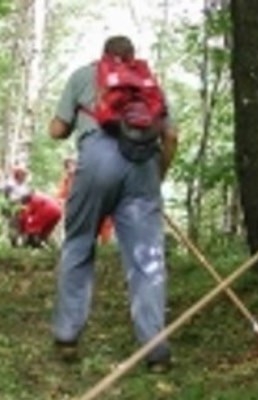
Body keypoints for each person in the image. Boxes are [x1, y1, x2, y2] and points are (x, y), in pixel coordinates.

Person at [48, 35, 178, 372]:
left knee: (78, 243)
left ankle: (67, 336)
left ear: (103, 55)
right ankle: (155, 350)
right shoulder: (149, 85)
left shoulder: (83, 76)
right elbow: (171, 136)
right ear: (133, 58)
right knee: (147, 259)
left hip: (97, 160)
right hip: (143, 166)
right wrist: (157, 177)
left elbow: (56, 130)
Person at [56, 155, 114, 245]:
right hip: (77, 210)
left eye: (73, 164)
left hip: (96, 206)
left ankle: (105, 247)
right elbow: (61, 196)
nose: (71, 167)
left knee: (104, 225)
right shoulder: (67, 180)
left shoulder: (89, 175)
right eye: (68, 165)